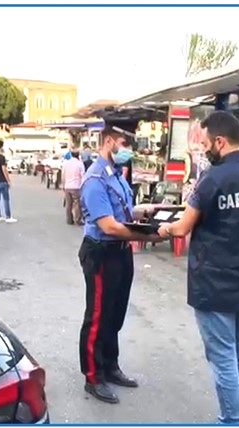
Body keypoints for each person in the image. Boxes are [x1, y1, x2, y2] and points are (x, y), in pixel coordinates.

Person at [157, 111, 239, 424]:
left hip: (217, 281)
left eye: (206, 143)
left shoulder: (212, 178)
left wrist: (163, 229)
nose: (204, 150)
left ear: (220, 142)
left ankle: (231, 420)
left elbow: (183, 227)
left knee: (224, 357)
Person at [78, 126, 162, 405]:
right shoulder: (95, 179)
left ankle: (110, 365)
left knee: (115, 314)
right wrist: (149, 234)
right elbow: (110, 226)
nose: (129, 150)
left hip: (121, 252)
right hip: (102, 252)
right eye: (125, 144)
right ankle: (93, 375)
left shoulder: (117, 175)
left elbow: (123, 212)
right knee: (98, 316)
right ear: (109, 142)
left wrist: (145, 212)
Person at [62, 145, 85, 225]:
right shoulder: (80, 164)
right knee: (77, 204)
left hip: (67, 186)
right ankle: (78, 219)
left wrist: (63, 185)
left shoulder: (65, 163)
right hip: (76, 186)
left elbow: (63, 175)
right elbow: (83, 176)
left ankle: (69, 220)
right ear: (78, 155)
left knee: (69, 204)